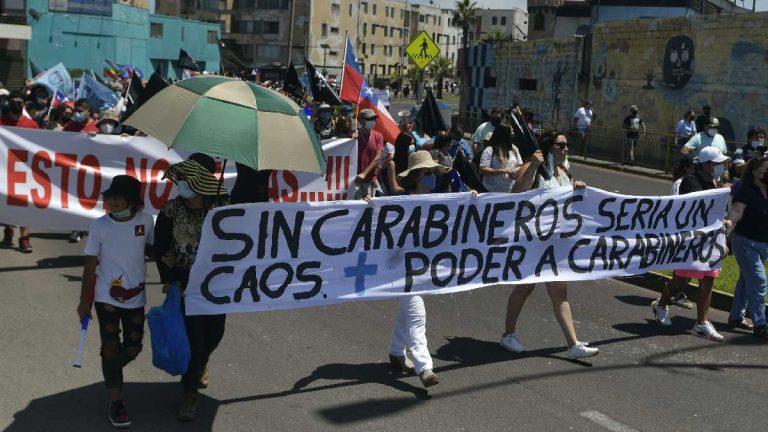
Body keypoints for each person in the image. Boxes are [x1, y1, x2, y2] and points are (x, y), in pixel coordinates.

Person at [501, 131, 599, 359]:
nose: (566, 149)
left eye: (567, 145)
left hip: (556, 243)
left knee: (559, 291)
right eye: (561, 145)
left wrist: (578, 187)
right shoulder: (532, 167)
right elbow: (517, 194)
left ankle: (573, 344)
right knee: (525, 287)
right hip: (532, 240)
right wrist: (534, 166)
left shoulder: (563, 172)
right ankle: (508, 335)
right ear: (549, 147)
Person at [154, 157, 229, 421]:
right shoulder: (171, 210)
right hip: (185, 283)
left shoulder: (222, 207)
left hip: (216, 283)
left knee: (215, 333)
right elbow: (160, 246)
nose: (182, 184)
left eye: (188, 179)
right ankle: (190, 393)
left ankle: (201, 362)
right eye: (180, 179)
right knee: (193, 340)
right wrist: (170, 278)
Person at [76, 175, 154, 428]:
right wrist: (83, 302)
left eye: (118, 197)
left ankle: (110, 371)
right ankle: (116, 402)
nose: (112, 201)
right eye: (109, 196)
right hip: (105, 297)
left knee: (133, 348)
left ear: (132, 201)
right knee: (110, 346)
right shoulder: (100, 225)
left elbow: (152, 249)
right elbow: (90, 263)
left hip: (136, 297)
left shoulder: (146, 220)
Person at [383, 150, 456, 387]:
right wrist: (368, 207)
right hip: (400, 268)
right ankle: (425, 368)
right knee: (417, 314)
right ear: (415, 176)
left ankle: (396, 352)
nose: (431, 177)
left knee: (407, 311)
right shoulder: (401, 202)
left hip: (422, 268)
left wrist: (473, 199)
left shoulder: (439, 202)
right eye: (426, 173)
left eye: (433, 173)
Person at [651, 146, 730, 342]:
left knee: (708, 280)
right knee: (681, 279)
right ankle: (660, 304)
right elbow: (699, 208)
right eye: (719, 163)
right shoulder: (691, 182)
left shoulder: (715, 182)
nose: (723, 166)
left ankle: (702, 323)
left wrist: (723, 240)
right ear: (707, 164)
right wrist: (720, 191)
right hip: (691, 240)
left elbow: (718, 215)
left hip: (710, 241)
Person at [724, 157, 768, 337]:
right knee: (758, 280)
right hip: (744, 242)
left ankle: (735, 317)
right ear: (755, 173)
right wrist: (729, 221)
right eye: (766, 171)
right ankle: (760, 322)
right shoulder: (746, 190)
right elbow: (736, 211)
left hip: (764, 244)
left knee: (746, 280)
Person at [1, 91, 38, 253]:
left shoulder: (31, 125)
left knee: (23, 204)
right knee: (6, 203)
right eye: (14, 102)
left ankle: (24, 237)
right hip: (3, 169)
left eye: (20, 102)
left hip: (24, 171)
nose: (17, 104)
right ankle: (8, 229)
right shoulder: (1, 122)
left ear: (24, 104)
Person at [666, 153, 696, 309]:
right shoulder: (680, 183)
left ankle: (677, 292)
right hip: (681, 227)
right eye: (693, 167)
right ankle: (675, 293)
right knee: (681, 262)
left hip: (689, 227)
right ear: (686, 168)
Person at [478, 124, 523, 193]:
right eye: (511, 132)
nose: (513, 134)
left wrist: (513, 171)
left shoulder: (514, 149)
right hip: (490, 191)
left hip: (509, 191)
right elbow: (483, 169)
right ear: (503, 135)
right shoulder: (490, 150)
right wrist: (503, 171)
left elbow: (520, 165)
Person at [355, 109, 384, 199]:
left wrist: (364, 173)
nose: (373, 121)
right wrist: (350, 138)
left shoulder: (378, 136)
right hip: (353, 180)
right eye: (369, 119)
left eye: (374, 119)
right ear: (361, 121)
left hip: (369, 180)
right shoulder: (353, 135)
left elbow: (378, 156)